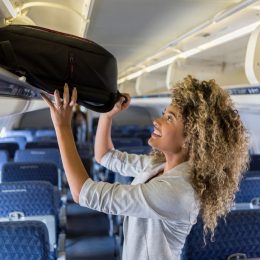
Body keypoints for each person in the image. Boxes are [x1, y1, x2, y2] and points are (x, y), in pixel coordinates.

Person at [41, 75, 249, 260]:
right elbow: (104, 155)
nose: (157, 121)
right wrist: (107, 115)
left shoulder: (177, 192)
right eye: (163, 113)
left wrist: (62, 126)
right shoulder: (159, 165)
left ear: (190, 139)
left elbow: (83, 193)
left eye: (169, 118)